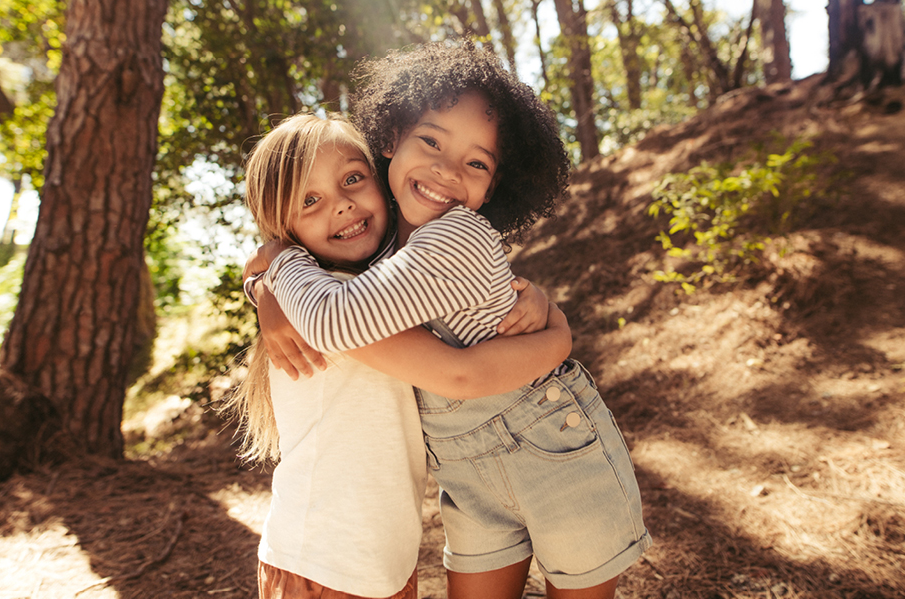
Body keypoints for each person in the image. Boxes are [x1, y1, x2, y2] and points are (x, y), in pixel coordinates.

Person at [255, 41, 651, 599]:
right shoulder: (387, 245)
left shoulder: (455, 233)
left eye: (476, 162)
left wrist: (276, 261)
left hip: (553, 450)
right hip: (467, 471)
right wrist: (263, 284)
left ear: (496, 186)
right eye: (432, 141)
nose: (445, 170)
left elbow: (337, 321)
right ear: (390, 139)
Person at [231, 113, 575, 599]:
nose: (343, 205)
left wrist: (532, 297)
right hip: (328, 566)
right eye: (310, 200)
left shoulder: (372, 293)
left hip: (378, 564)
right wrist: (559, 335)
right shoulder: (335, 312)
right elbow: (460, 375)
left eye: (353, 178)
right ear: (281, 227)